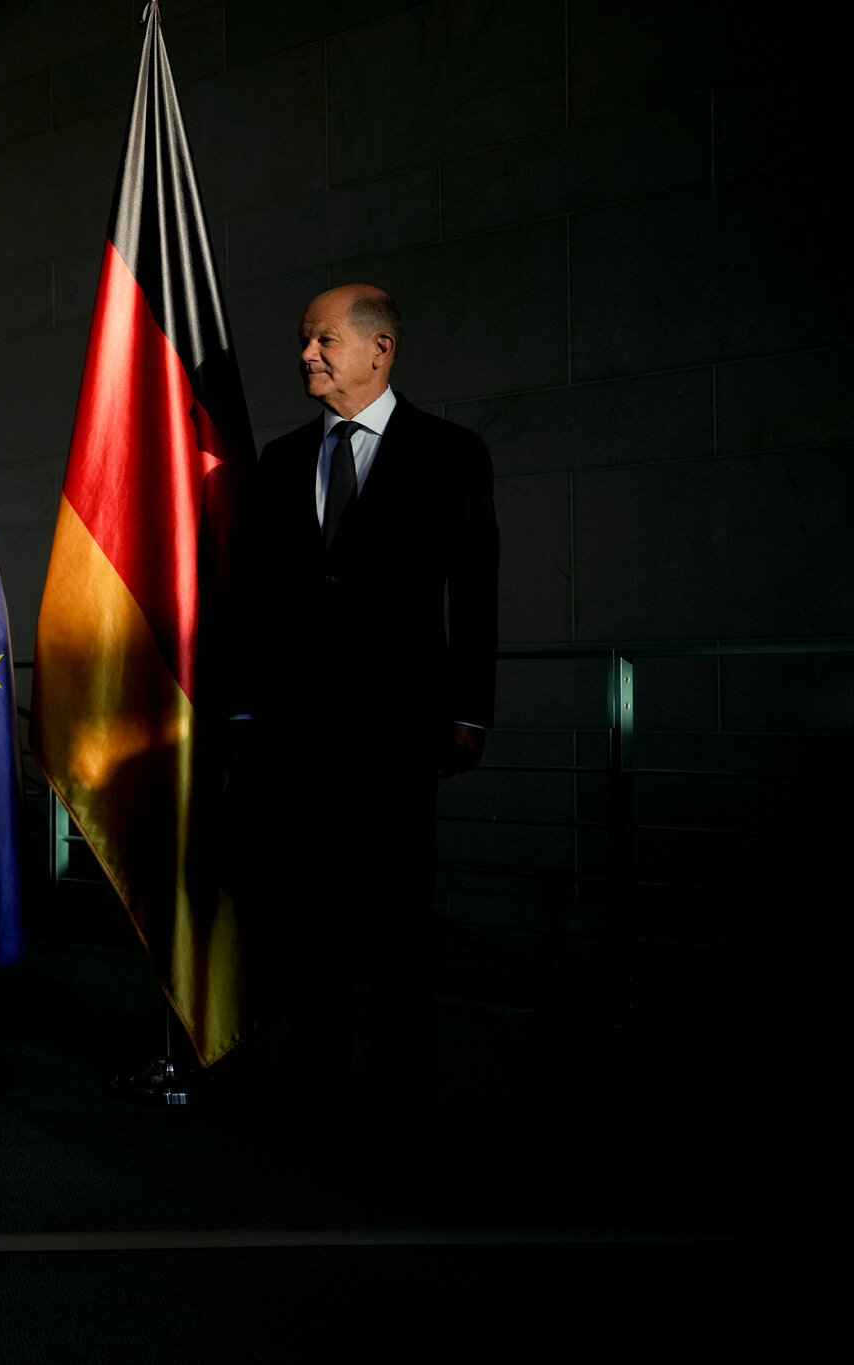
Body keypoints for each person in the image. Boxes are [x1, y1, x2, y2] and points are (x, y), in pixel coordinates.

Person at [231, 284, 498, 1125]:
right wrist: (246, 710)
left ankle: (399, 1100)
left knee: (398, 925)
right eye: (304, 341)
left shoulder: (450, 452)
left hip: (398, 734)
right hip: (297, 738)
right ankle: (317, 1091)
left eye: (323, 340)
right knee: (310, 925)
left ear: (380, 349)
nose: (306, 354)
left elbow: (475, 591)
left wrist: (470, 709)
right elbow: (254, 599)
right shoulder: (281, 460)